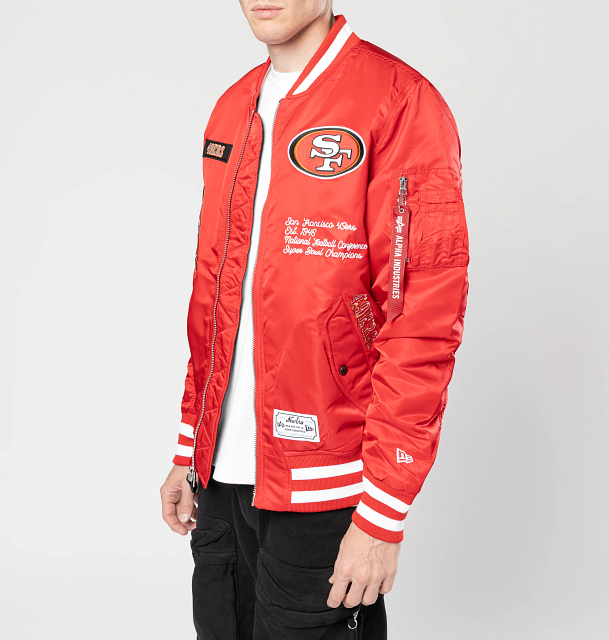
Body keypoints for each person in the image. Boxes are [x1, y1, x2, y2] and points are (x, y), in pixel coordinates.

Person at [160, 1, 469, 638]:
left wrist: (382, 512)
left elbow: (424, 316)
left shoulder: (399, 102)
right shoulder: (232, 107)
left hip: (327, 483)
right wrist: (192, 445)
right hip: (219, 480)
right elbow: (215, 296)